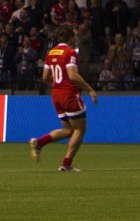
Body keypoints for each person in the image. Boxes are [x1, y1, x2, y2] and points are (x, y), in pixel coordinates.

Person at [29, 26, 99, 172]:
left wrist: (58, 84)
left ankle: (39, 142)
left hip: (56, 95)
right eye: (73, 35)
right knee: (80, 129)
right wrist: (90, 90)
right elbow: (73, 75)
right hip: (69, 95)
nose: (75, 37)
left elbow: (45, 77)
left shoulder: (51, 53)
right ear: (69, 37)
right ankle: (66, 164)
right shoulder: (70, 52)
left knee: (68, 130)